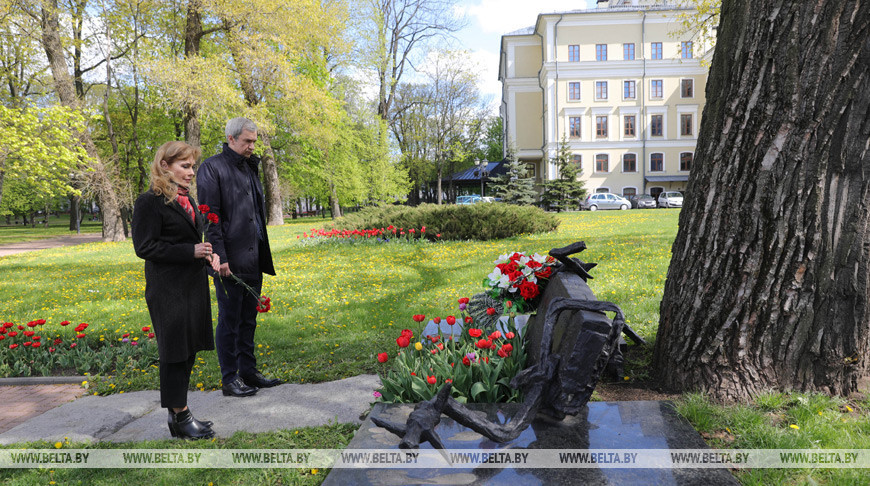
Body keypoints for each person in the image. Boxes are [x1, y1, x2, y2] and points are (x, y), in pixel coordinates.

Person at [132, 141, 220, 440]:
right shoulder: (150, 201)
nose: (191, 172)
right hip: (168, 290)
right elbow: (144, 247)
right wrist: (190, 251)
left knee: (187, 351)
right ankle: (181, 416)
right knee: (174, 354)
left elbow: (190, 243)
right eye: (185, 166)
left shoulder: (188, 201)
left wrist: (208, 255)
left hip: (192, 287)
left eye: (192, 166)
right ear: (165, 166)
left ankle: (178, 417)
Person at [197, 117, 280, 397]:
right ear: (231, 139)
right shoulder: (212, 168)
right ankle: (229, 378)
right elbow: (211, 218)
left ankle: (248, 372)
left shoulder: (249, 167)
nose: (252, 147)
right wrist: (219, 256)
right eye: (247, 141)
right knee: (229, 320)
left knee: (248, 320)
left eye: (254, 141)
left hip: (254, 256)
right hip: (228, 260)